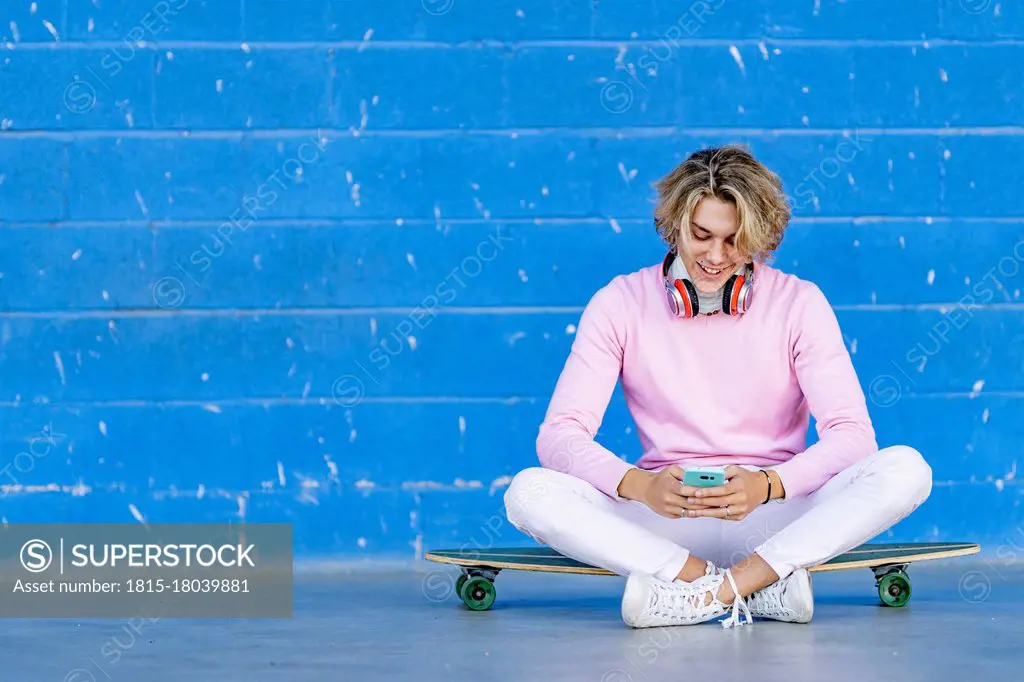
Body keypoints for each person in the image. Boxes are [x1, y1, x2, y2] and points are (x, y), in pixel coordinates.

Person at [502, 144, 933, 629]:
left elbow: (853, 435)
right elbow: (560, 435)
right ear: (673, 225)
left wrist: (768, 485)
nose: (715, 257)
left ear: (761, 237)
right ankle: (737, 584)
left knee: (906, 469)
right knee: (528, 492)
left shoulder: (800, 303)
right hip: (666, 517)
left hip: (774, 511)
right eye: (700, 235)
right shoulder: (618, 303)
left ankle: (717, 591)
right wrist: (640, 486)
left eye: (734, 241)